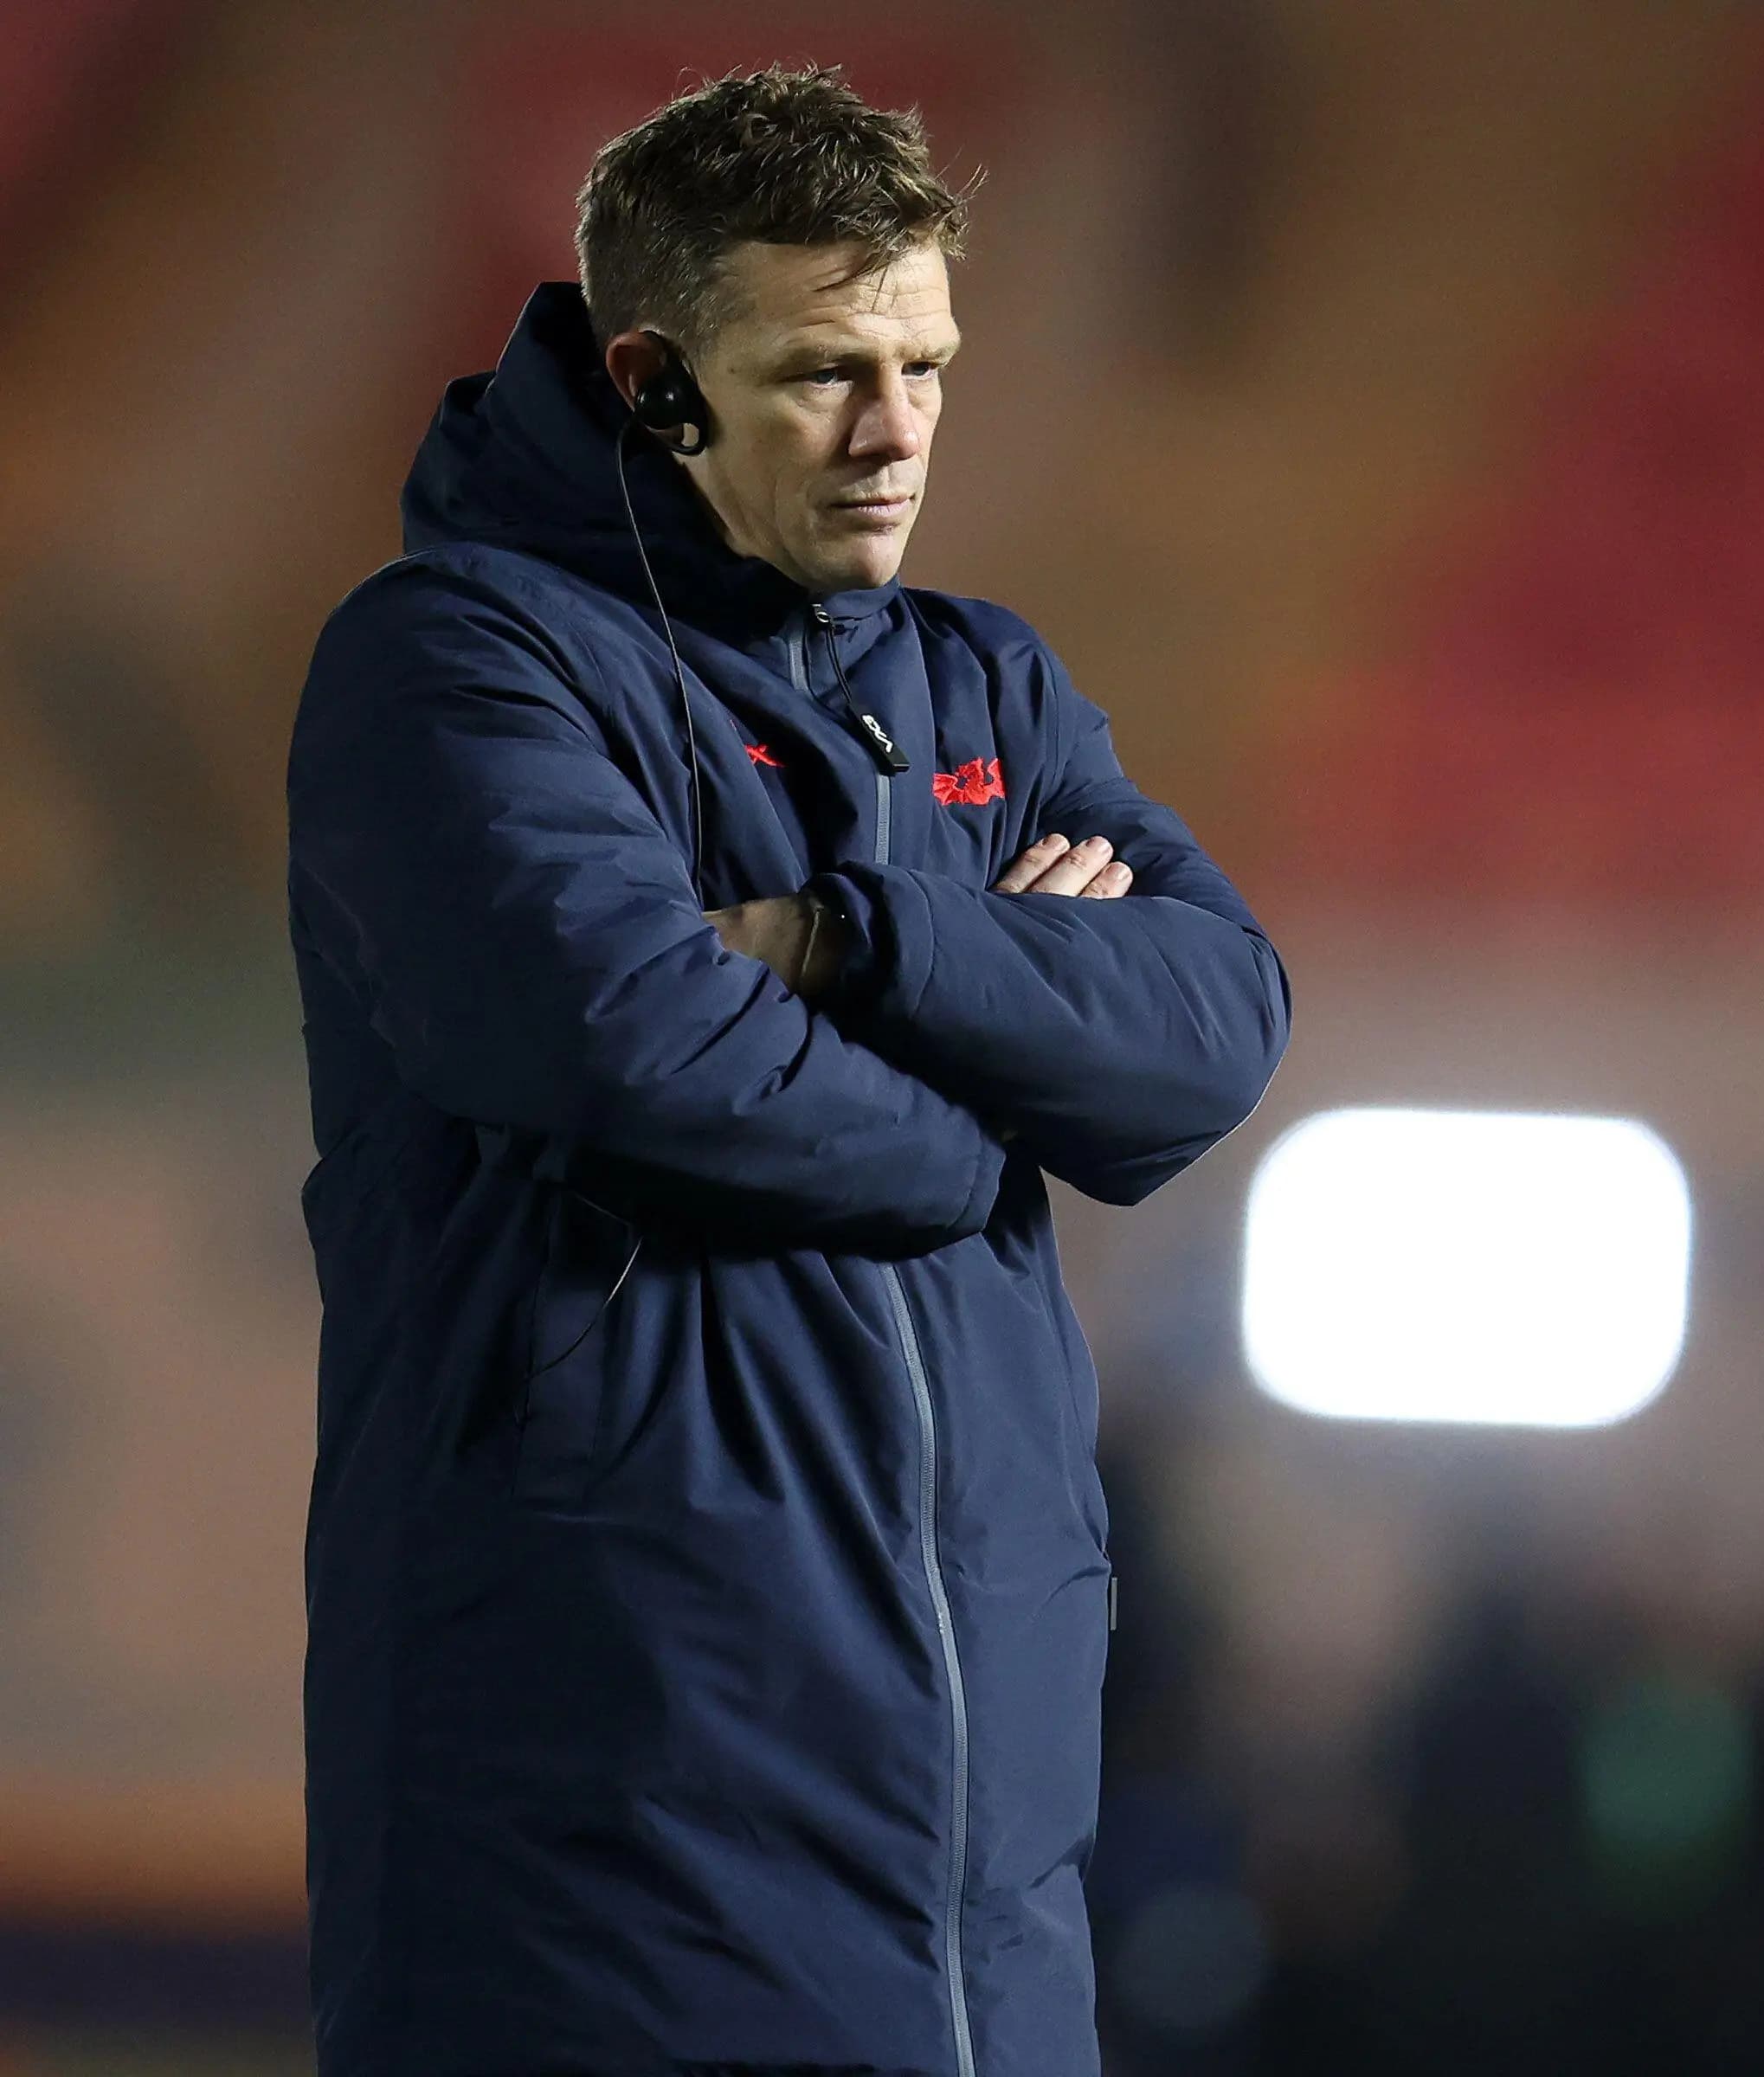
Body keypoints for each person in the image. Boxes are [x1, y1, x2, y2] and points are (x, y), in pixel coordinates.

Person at [283, 67, 1291, 2074]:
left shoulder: (985, 678)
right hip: (608, 1876)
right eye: (829, 372)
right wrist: (1001, 1105)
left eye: (926, 361)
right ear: (654, 381)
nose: (899, 431)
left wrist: (859, 940)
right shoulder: (459, 666)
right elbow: (645, 1049)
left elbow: (1212, 1027)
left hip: (983, 1917)